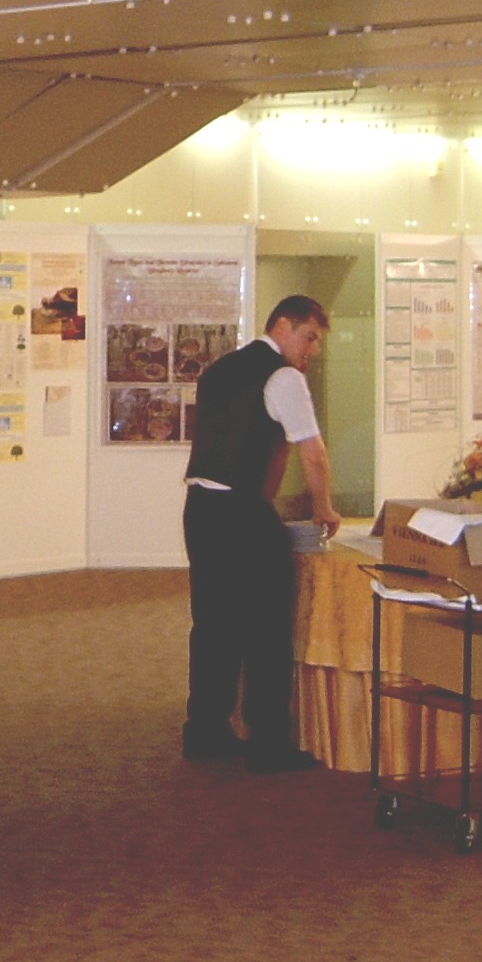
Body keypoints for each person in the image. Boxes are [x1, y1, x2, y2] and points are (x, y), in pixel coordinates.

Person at [180, 295, 340, 771]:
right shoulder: (283, 377)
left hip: (201, 508)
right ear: (284, 326)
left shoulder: (219, 369)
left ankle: (205, 730)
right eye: (309, 338)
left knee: (212, 623)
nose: (312, 350)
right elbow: (312, 453)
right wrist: (324, 507)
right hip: (241, 512)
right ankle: (268, 739)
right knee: (267, 627)